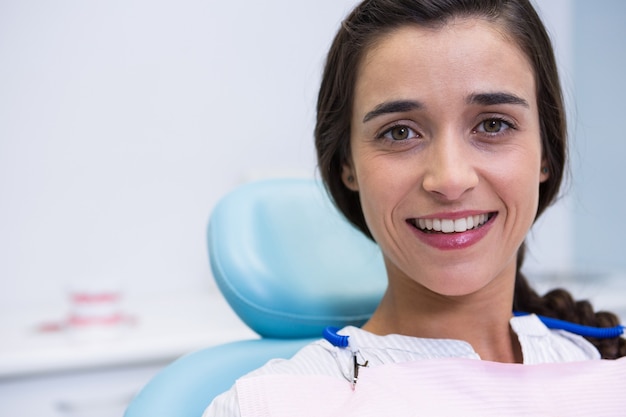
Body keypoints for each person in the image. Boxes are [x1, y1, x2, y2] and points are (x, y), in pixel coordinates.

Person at [204, 0, 625, 415]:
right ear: (347, 166)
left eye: (493, 124)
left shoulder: (607, 370)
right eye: (400, 132)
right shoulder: (274, 405)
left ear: (546, 154)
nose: (450, 179)